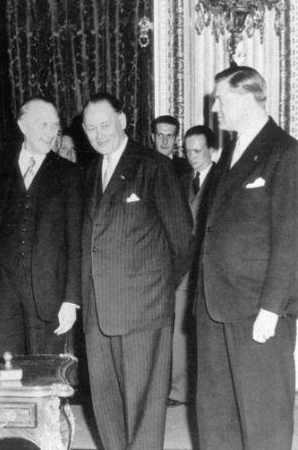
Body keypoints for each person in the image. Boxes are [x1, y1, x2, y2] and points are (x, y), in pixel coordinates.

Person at [81, 93, 191, 450]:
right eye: (91, 128)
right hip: (98, 308)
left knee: (144, 409)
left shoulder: (153, 165)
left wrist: (154, 290)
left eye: (105, 125)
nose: (99, 134)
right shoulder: (88, 172)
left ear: (123, 121)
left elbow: (181, 241)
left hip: (143, 308)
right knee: (106, 402)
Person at [196, 66, 298, 450]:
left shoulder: (285, 151)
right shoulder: (229, 152)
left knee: (264, 417)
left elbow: (290, 238)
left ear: (247, 96)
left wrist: (271, 309)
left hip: (257, 308)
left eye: (221, 99)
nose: (216, 108)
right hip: (214, 306)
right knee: (217, 417)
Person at [0, 98, 82, 355]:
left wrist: (71, 300)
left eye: (55, 126)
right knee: (6, 377)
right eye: (43, 125)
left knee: (44, 378)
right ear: (23, 125)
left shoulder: (69, 174)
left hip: (49, 297)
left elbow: (76, 242)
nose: (51, 133)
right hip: (1, 293)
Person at [168, 125, 217, 407]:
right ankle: (178, 390)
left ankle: (206, 392)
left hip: (211, 268)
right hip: (184, 269)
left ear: (212, 149)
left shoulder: (224, 178)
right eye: (187, 151)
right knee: (179, 332)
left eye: (198, 151)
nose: (192, 156)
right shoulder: (180, 179)